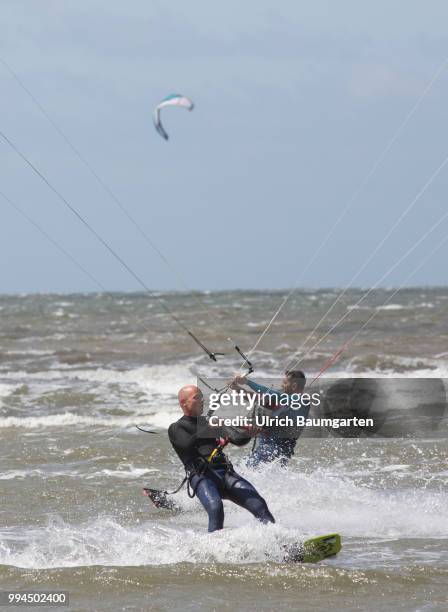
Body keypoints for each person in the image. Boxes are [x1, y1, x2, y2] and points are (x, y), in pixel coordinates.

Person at [168, 384, 275, 533]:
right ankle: (215, 551)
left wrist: (249, 434)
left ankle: (279, 545)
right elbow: (185, 446)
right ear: (183, 403)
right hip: (202, 477)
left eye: (202, 397)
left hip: (226, 474)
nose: (202, 400)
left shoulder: (210, 422)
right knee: (216, 508)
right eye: (196, 397)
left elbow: (237, 439)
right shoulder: (176, 428)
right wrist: (208, 428)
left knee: (259, 503)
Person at [231, 370, 309, 467]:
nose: (282, 386)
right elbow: (258, 398)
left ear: (294, 386)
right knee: (240, 467)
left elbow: (273, 395)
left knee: (246, 468)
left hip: (277, 450)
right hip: (265, 447)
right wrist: (237, 389)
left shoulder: (301, 402)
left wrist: (247, 382)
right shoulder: (284, 400)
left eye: (284, 383)